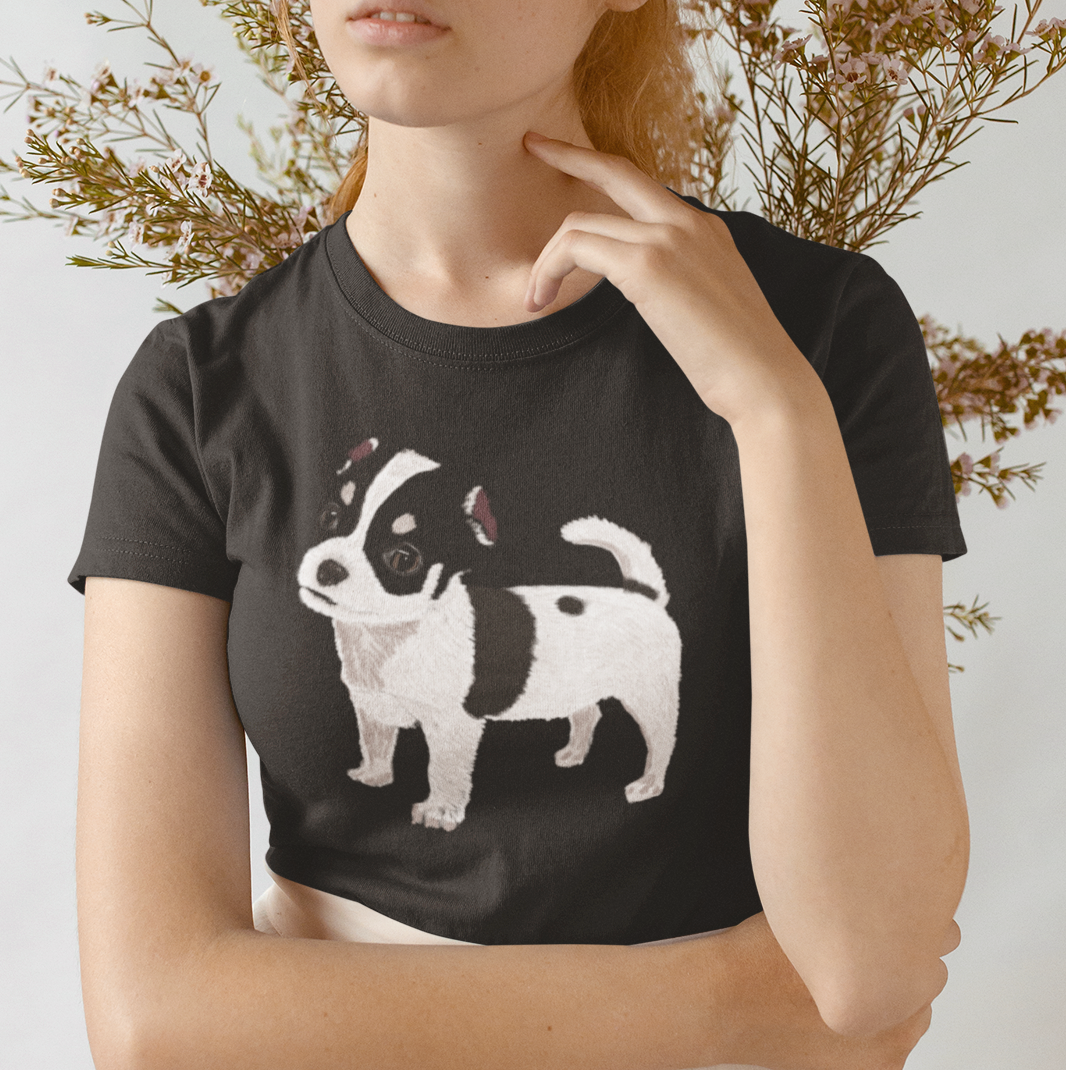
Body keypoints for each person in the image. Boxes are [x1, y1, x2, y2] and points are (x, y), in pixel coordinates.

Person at [70, 0, 969, 1067]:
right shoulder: (199, 390)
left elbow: (870, 970)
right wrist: (723, 1001)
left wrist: (773, 410)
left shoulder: (819, 330)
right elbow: (152, 1017)